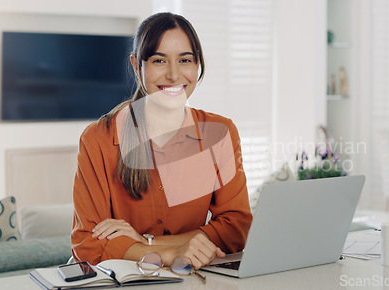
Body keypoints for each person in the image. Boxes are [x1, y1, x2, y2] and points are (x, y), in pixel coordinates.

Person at [71, 12, 253, 270]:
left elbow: (236, 228)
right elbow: (86, 244)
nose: (174, 74)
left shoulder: (221, 133)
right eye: (159, 60)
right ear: (137, 65)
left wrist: (148, 243)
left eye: (185, 60)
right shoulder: (98, 139)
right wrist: (168, 253)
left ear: (197, 64)